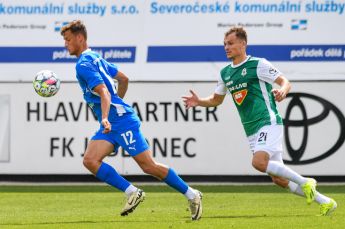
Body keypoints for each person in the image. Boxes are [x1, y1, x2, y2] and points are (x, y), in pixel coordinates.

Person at [182, 27, 337, 216]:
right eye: (224, 44)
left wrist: (283, 91)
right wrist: (199, 102)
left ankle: (306, 182)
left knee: (258, 163)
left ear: (243, 44)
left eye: (230, 43)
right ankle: (326, 202)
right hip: (251, 129)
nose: (226, 47)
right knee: (278, 179)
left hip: (268, 120)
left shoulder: (258, 64)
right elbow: (216, 100)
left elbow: (284, 81)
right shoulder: (225, 73)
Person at [60, 20, 202, 220]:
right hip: (114, 121)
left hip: (119, 122)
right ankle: (132, 192)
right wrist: (115, 109)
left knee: (149, 166)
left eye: (67, 40)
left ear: (80, 38)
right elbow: (124, 79)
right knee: (90, 160)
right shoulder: (95, 58)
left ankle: (192, 194)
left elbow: (103, 93)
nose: (65, 44)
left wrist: (108, 116)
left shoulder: (83, 65)